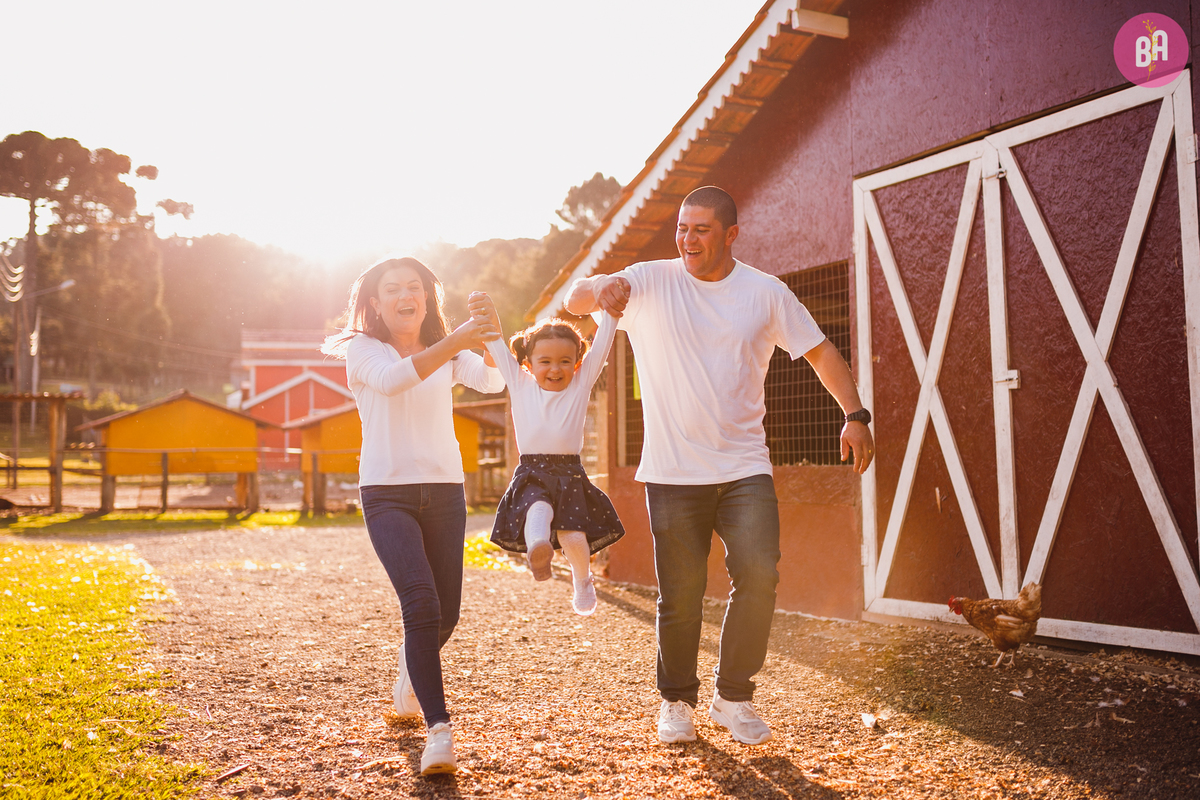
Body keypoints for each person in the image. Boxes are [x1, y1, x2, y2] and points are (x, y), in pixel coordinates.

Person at [565, 186, 875, 746]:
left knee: (759, 575)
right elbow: (576, 300)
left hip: (743, 466)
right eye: (682, 228)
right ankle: (676, 702)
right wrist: (600, 286)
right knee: (680, 594)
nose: (687, 240)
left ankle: (732, 697)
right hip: (672, 471)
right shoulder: (650, 281)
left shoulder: (765, 293)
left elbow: (820, 351)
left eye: (701, 229)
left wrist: (855, 414)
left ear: (731, 234)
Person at [322, 256, 503, 775]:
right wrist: (457, 340)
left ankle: (409, 671)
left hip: (446, 492)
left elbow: (493, 382)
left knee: (446, 615)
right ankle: (439, 731)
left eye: (415, 287)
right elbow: (396, 380)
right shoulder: (364, 350)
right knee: (420, 603)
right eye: (393, 288)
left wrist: (489, 334)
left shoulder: (447, 352)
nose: (406, 295)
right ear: (375, 303)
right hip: (388, 494)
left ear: (428, 298)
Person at [473, 295, 625, 615]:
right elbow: (496, 343)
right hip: (532, 470)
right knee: (536, 509)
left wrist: (610, 315)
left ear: (576, 363)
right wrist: (485, 313)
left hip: (569, 472)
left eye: (564, 361)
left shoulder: (581, 384)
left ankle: (582, 580)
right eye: (545, 361)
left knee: (572, 532)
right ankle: (538, 548)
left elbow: (601, 347)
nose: (555, 369)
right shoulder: (518, 382)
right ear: (528, 364)